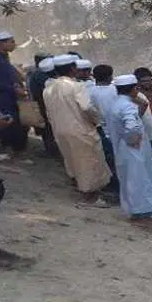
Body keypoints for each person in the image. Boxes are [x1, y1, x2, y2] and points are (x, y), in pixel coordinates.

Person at [43, 54, 112, 207]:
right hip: (80, 130)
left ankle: (81, 189)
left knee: (72, 160)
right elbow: (87, 107)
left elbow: (49, 113)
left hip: (60, 130)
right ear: (73, 69)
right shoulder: (76, 86)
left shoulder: (48, 88)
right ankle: (90, 198)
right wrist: (97, 120)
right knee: (89, 162)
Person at [108, 75, 152, 227]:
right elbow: (132, 127)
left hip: (124, 149)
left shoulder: (117, 103)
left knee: (131, 180)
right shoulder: (127, 106)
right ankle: (141, 214)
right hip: (133, 149)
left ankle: (137, 212)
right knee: (139, 180)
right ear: (134, 89)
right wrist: (134, 140)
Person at [89, 64, 121, 196]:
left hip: (100, 130)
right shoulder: (116, 90)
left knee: (107, 161)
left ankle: (112, 187)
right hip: (118, 130)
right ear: (110, 76)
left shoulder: (89, 92)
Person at [0, 31, 28, 154]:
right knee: (7, 123)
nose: (14, 45)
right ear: (1, 43)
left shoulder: (5, 58)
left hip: (11, 97)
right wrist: (14, 88)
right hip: (3, 98)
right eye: (11, 42)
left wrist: (17, 84)